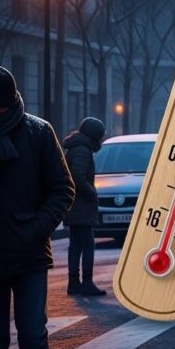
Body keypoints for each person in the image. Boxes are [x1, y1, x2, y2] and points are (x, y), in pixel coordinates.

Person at [0, 66, 75, 349]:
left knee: (31, 335)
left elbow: (63, 189)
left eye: (0, 106)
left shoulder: (38, 131)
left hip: (28, 253)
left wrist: (35, 229)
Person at [63, 117, 107, 296]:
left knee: (76, 245)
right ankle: (86, 283)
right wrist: (92, 193)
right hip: (80, 206)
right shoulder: (83, 150)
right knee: (87, 244)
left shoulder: (77, 147)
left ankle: (74, 283)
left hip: (74, 205)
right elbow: (78, 177)